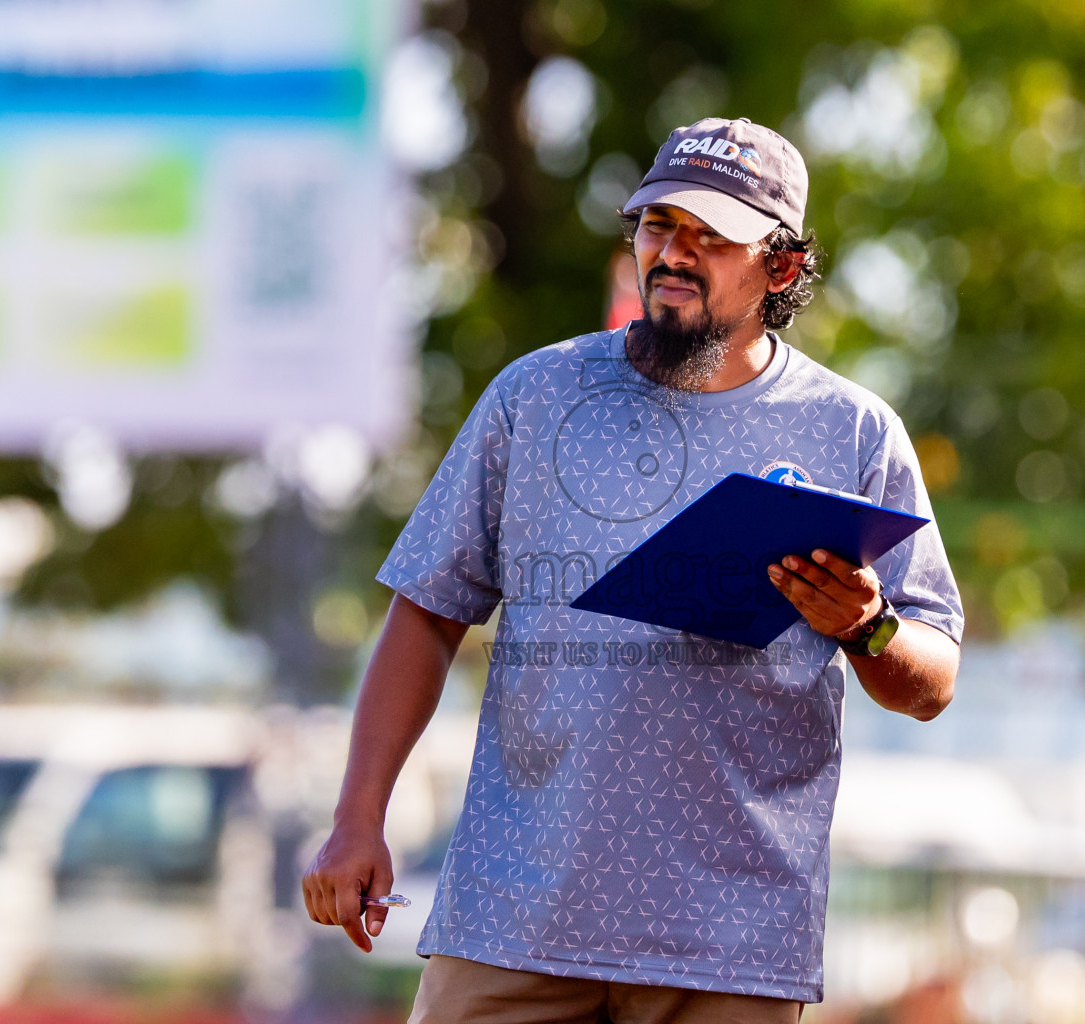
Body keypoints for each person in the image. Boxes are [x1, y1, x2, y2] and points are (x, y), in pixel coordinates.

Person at [303, 116, 964, 1023]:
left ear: (780, 267)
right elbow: (427, 612)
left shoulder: (853, 433)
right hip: (514, 920)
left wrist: (866, 623)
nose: (673, 256)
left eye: (710, 238)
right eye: (659, 227)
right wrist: (357, 818)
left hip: (729, 946)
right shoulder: (534, 397)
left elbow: (931, 681)